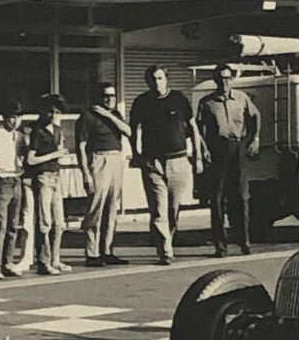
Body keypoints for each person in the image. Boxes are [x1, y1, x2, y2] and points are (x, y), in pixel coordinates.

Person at [131, 65, 203, 264]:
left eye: (160, 78)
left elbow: (194, 128)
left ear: (166, 79)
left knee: (173, 209)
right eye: (153, 79)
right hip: (153, 163)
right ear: (147, 81)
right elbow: (133, 129)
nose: (157, 83)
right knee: (158, 209)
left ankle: (167, 240)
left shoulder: (179, 99)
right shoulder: (142, 102)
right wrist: (137, 155)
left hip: (178, 160)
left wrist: (197, 157)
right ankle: (165, 252)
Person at [196, 61, 262, 257]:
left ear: (231, 79)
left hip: (238, 148)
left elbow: (255, 116)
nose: (224, 82)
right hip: (217, 151)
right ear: (215, 80)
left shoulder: (241, 98)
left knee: (242, 197)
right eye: (220, 78)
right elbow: (198, 128)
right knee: (216, 198)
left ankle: (245, 241)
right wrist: (203, 149)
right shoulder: (206, 102)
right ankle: (220, 245)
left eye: (227, 78)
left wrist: (255, 139)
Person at [77, 82, 132, 267]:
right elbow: (81, 146)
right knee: (96, 206)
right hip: (98, 160)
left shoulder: (114, 115)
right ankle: (92, 253)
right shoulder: (87, 116)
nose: (110, 99)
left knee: (111, 208)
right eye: (105, 96)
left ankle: (107, 250)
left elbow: (128, 131)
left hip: (116, 159)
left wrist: (108, 115)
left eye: (113, 96)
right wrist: (85, 173)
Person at [0, 101, 29, 280]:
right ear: (5, 117)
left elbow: (26, 153)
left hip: (17, 178)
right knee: (0, 225)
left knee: (13, 224)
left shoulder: (19, 136)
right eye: (12, 117)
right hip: (3, 180)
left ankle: (8, 262)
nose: (15, 121)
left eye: (18, 117)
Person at [25, 93, 70, 274]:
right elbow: (31, 159)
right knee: (45, 222)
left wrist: (60, 153)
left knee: (59, 222)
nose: (53, 116)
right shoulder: (38, 131)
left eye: (57, 112)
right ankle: (44, 261)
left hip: (56, 176)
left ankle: (55, 258)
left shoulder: (58, 130)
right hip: (43, 177)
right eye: (50, 112)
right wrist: (54, 155)